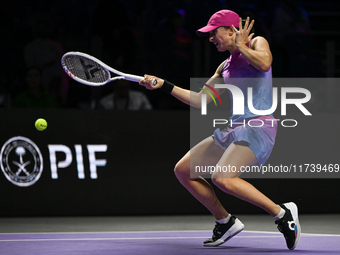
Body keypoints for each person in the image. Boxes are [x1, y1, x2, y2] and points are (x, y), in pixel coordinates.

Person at [139, 10, 300, 250]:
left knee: (222, 178)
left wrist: (241, 46)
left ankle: (282, 213)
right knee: (184, 170)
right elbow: (200, 100)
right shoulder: (224, 67)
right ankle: (225, 221)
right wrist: (164, 85)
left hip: (258, 126)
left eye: (214, 33)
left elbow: (265, 63)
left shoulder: (257, 42)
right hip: (234, 127)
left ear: (232, 30)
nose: (211, 39)